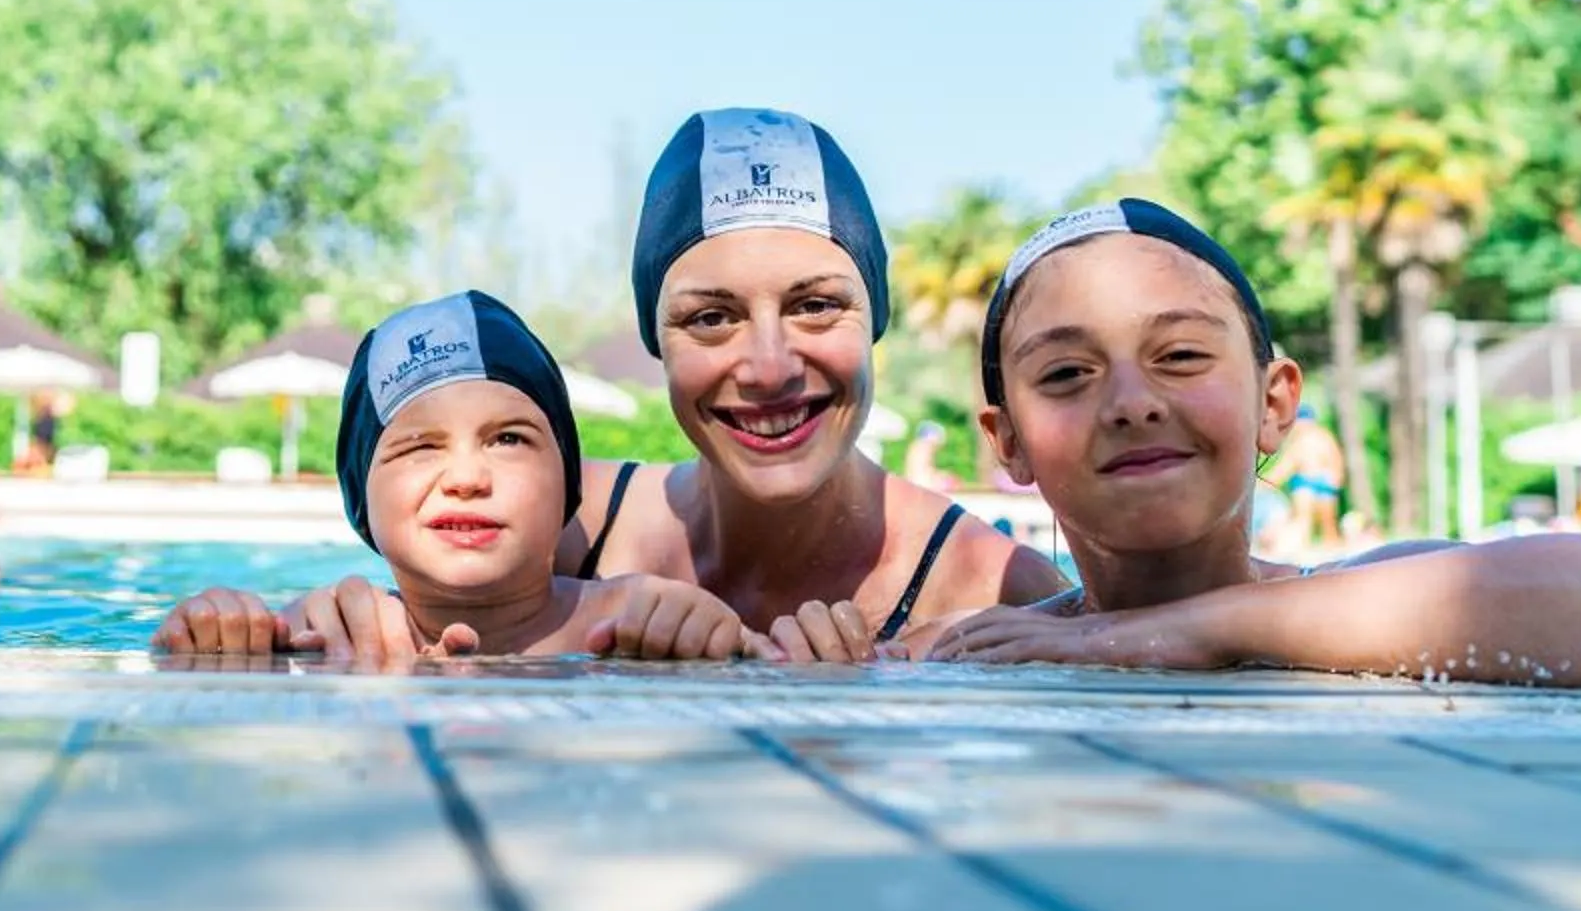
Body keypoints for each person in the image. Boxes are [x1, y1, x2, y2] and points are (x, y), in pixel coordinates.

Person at [290, 110, 1067, 664]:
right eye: (711, 318)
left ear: (876, 319)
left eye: (816, 305)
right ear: (655, 340)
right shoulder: (555, 518)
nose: (768, 367)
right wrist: (330, 616)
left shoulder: (994, 585)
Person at [911, 199, 1581, 689]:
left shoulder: (1377, 589)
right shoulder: (967, 651)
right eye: (1065, 374)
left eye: (1182, 356)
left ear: (1275, 404)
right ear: (1006, 441)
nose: (1130, 403)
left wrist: (1180, 632)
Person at [153, 291, 770, 663]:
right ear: (359, 495)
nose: (468, 476)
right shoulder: (323, 630)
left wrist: (720, 640)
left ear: (567, 482)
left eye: (508, 439)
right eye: (420, 446)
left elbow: (760, 664)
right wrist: (215, 628)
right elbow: (209, 645)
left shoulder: (640, 614)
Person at [1259, 400, 1346, 548]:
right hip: (1304, 481)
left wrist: (1337, 474)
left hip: (1325, 480)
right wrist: (1268, 482)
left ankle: (1332, 545)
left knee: (1328, 518)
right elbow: (1286, 465)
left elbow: (1335, 457)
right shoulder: (1296, 442)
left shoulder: (1323, 438)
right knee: (1303, 517)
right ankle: (1303, 545)